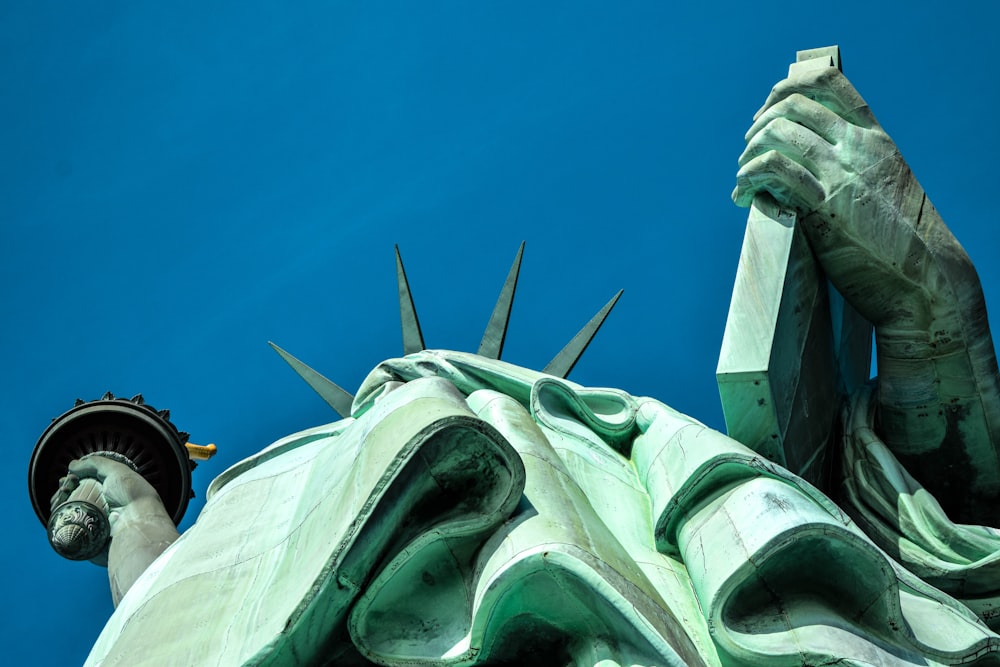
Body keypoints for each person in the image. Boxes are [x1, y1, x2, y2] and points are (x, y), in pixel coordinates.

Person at [62, 59, 1000, 667]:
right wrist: (128, 491)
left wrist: (931, 312)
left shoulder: (625, 474)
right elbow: (170, 621)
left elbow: (909, 564)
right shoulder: (253, 519)